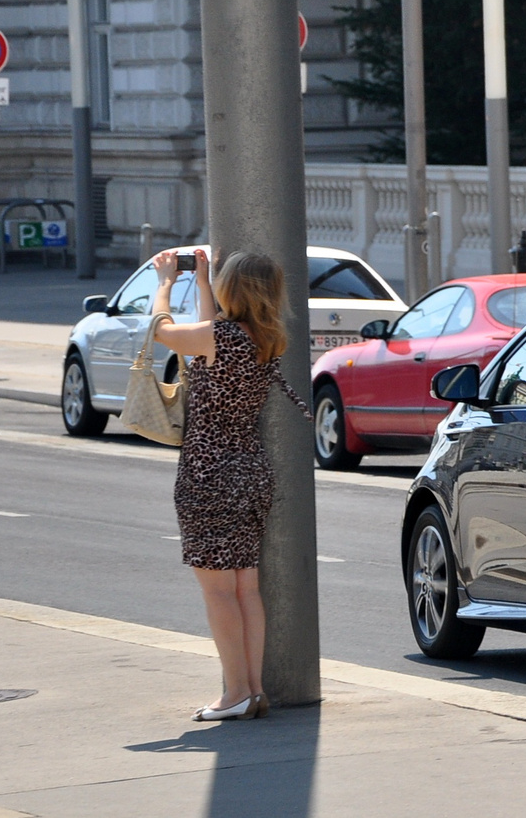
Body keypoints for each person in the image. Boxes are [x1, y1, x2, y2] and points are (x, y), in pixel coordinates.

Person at [152, 248, 310, 722]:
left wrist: (164, 282)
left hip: (208, 473)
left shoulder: (218, 337)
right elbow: (209, 340)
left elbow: (161, 332)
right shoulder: (265, 339)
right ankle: (253, 690)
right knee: (245, 588)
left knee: (218, 591)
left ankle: (235, 692)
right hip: (249, 471)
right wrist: (201, 283)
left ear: (232, 288)